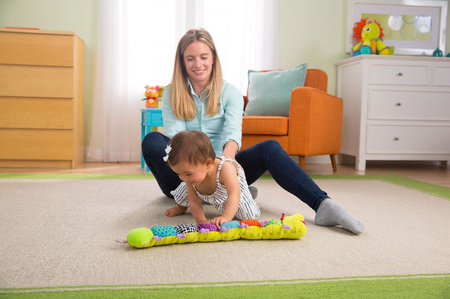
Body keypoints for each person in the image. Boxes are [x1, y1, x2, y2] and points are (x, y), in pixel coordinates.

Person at [142, 28, 364, 235]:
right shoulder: (173, 93)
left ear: (213, 59)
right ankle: (215, 195)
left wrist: (225, 172)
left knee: (270, 148)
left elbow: (232, 136)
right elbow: (175, 138)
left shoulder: (230, 93)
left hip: (222, 168)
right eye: (190, 58)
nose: (197, 64)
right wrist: (193, 173)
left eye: (203, 57)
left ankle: (322, 204)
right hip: (184, 178)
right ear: (182, 62)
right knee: (152, 140)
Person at [163, 130, 260, 228]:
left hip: (230, 191)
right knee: (180, 195)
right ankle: (181, 208)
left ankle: (249, 194)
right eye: (179, 174)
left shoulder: (225, 169)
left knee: (249, 215)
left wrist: (225, 217)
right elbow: (194, 201)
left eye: (187, 174)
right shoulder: (189, 178)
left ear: (208, 163)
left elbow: (233, 194)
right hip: (202, 185)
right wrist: (201, 221)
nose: (183, 178)